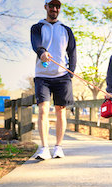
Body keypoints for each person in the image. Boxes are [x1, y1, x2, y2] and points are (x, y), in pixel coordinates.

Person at [30, 0, 76, 160]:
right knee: (43, 110)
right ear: (46, 7)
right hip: (42, 76)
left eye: (57, 6)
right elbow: (36, 43)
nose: (54, 9)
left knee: (60, 111)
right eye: (51, 6)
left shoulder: (66, 30)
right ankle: (44, 148)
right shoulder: (37, 27)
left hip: (62, 76)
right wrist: (42, 52)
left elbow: (72, 52)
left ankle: (58, 147)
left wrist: (71, 73)